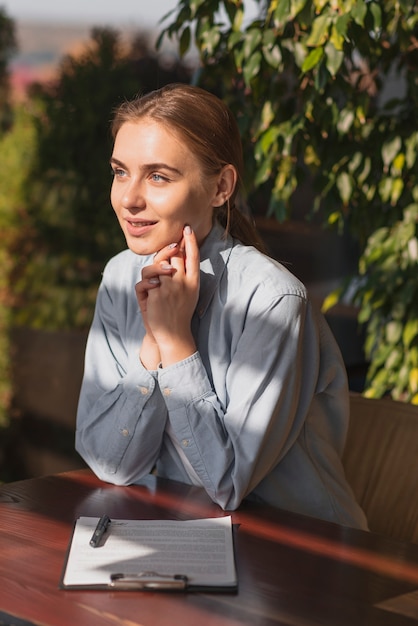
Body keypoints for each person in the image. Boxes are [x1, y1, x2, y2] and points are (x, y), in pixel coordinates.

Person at [75, 83, 367, 529]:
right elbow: (110, 464)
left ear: (221, 186)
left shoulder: (273, 301)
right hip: (195, 536)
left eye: (158, 176)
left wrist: (175, 344)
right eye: (120, 172)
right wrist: (151, 350)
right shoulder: (120, 277)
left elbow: (225, 484)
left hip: (306, 554)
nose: (129, 198)